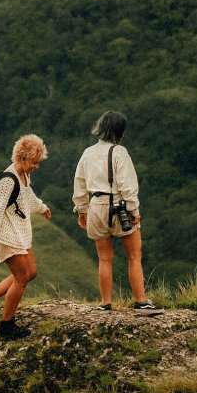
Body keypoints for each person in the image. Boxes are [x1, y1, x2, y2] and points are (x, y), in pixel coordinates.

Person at [73, 110, 161, 314]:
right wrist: (134, 210)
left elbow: (80, 184)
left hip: (96, 206)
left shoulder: (88, 153)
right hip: (119, 207)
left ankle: (105, 303)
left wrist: (82, 210)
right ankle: (141, 302)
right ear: (120, 131)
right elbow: (127, 185)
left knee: (104, 258)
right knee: (134, 256)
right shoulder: (119, 152)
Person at [0, 133, 52, 341]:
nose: (37, 166)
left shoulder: (24, 175)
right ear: (22, 158)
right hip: (6, 235)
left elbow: (28, 196)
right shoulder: (8, 181)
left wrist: (42, 208)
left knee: (31, 273)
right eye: (34, 162)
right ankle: (6, 326)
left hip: (20, 232)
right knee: (22, 277)